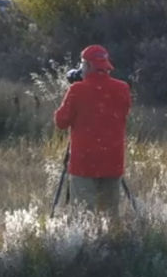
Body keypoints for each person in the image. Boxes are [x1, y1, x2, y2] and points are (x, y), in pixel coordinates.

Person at [54, 45, 131, 218]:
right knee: (110, 216)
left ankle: (84, 245)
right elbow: (122, 114)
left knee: (82, 216)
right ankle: (112, 243)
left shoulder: (76, 90)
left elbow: (61, 122)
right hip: (113, 160)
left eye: (82, 64)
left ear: (87, 66)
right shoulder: (123, 88)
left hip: (84, 162)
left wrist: (74, 90)